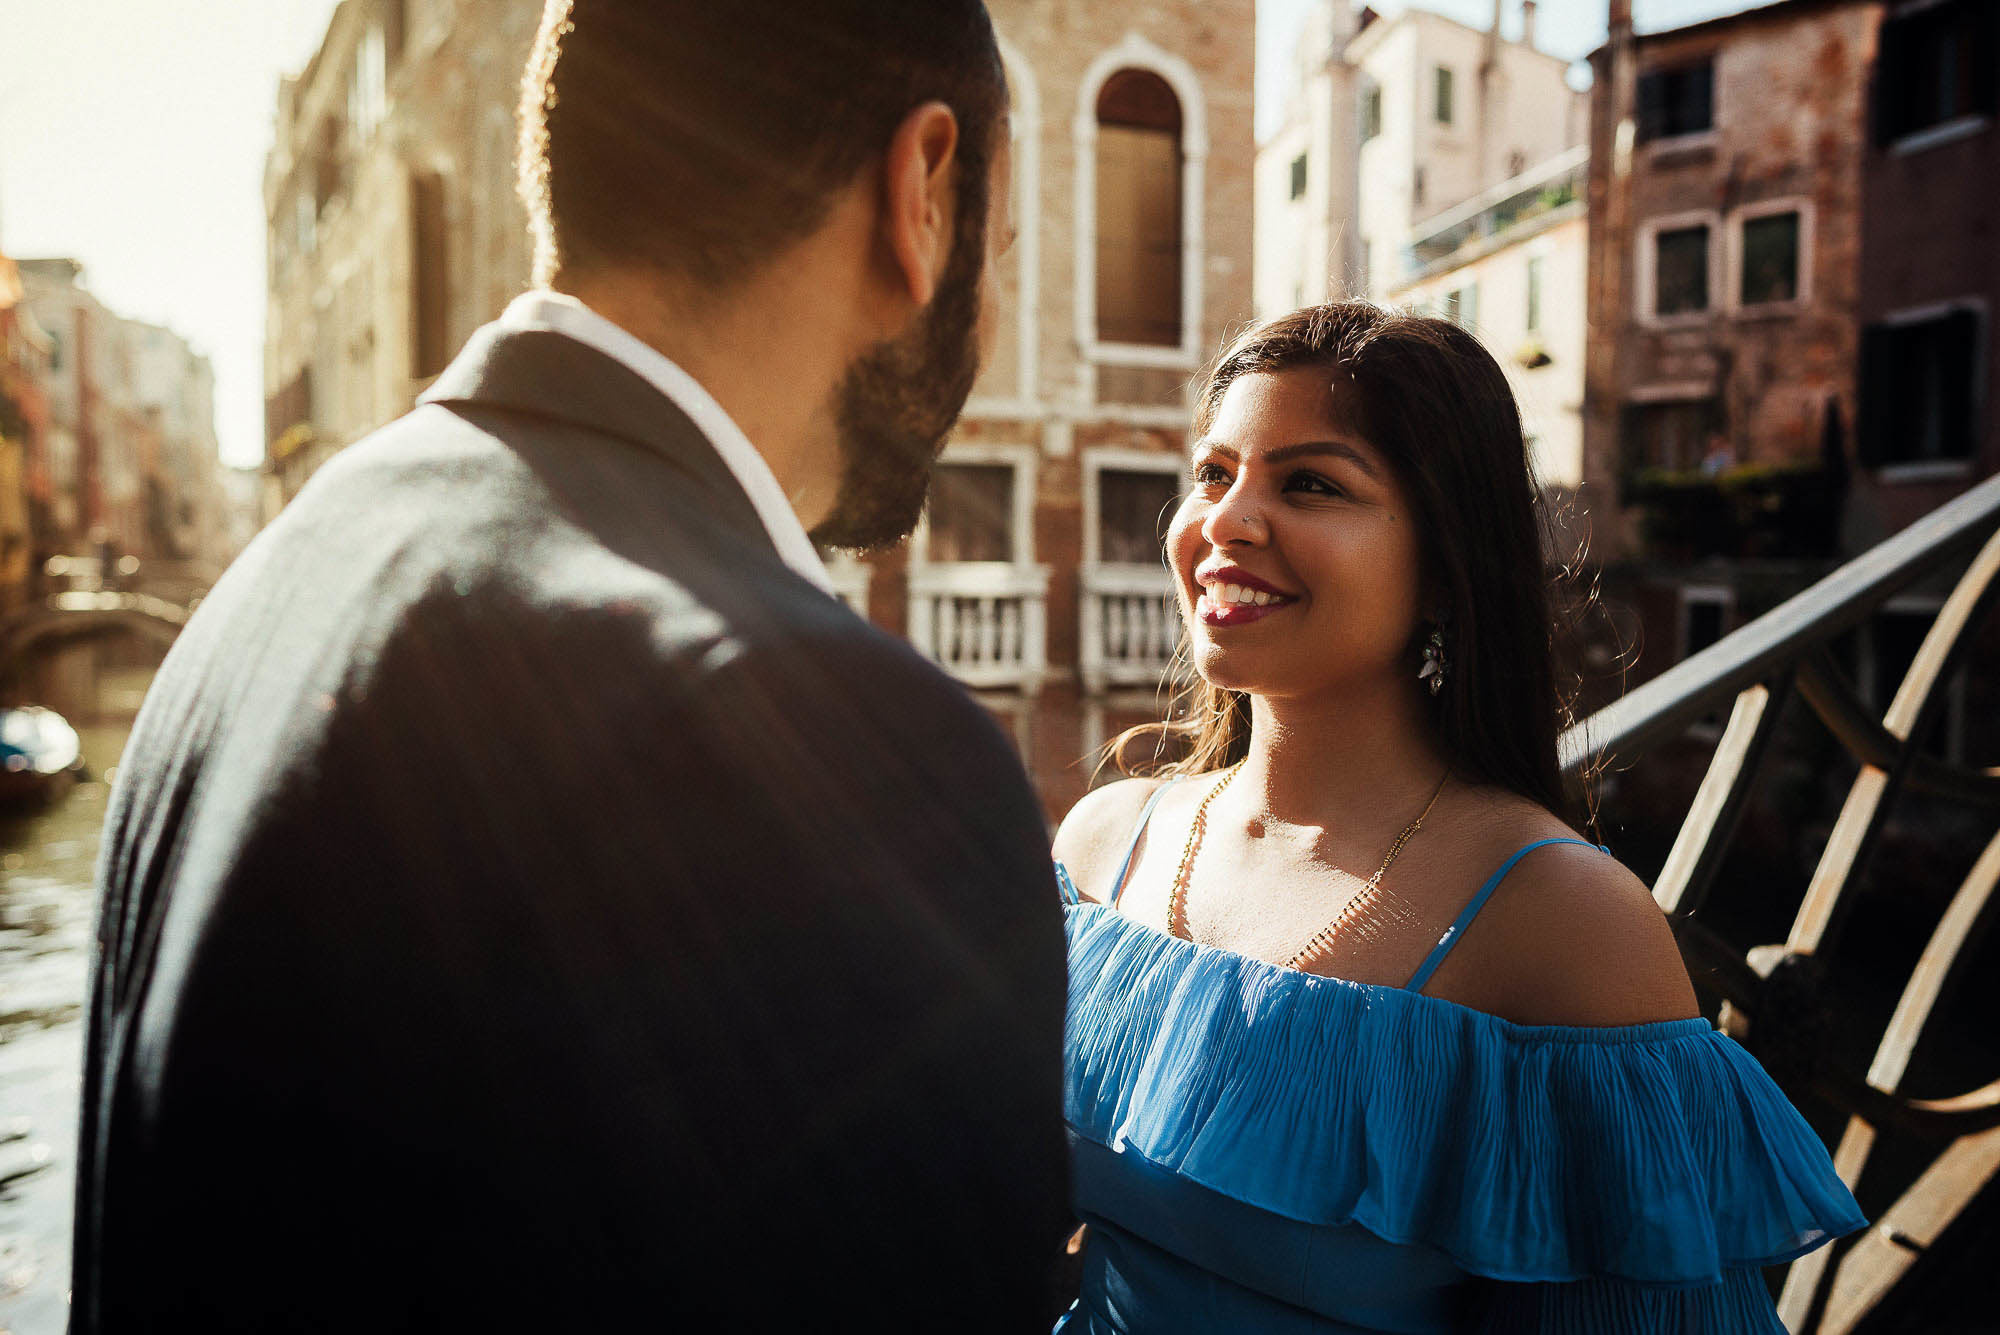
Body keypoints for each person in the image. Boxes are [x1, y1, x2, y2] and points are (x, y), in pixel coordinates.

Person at [72, 1, 1069, 1327]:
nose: (988, 315)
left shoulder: (264, 585)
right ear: (922, 191)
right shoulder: (835, 731)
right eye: (997, 248)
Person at [1050, 304, 1863, 1332]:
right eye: (1214, 474)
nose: (1224, 523)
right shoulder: (1100, 842)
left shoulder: (1561, 919)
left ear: (1445, 564)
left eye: (1308, 483)